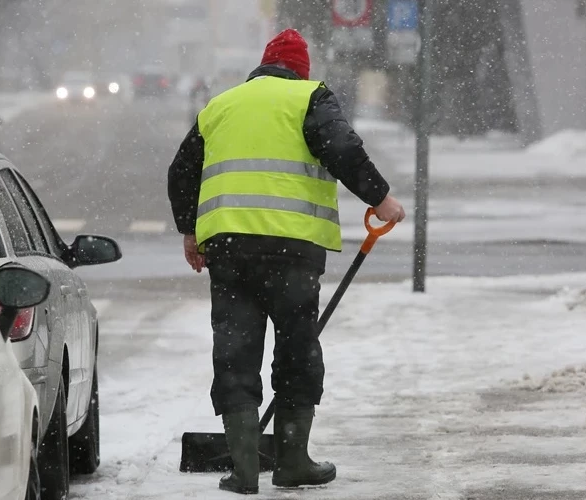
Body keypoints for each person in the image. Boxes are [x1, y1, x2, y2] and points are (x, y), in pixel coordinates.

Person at [167, 28, 406, 495]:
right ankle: (293, 462)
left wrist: (190, 232)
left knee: (234, 353)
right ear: (301, 69)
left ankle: (244, 470)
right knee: (297, 350)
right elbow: (341, 151)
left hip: (230, 251)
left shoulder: (221, 105)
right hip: (292, 252)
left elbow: (181, 171)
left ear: (262, 65)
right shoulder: (309, 97)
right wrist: (381, 198)